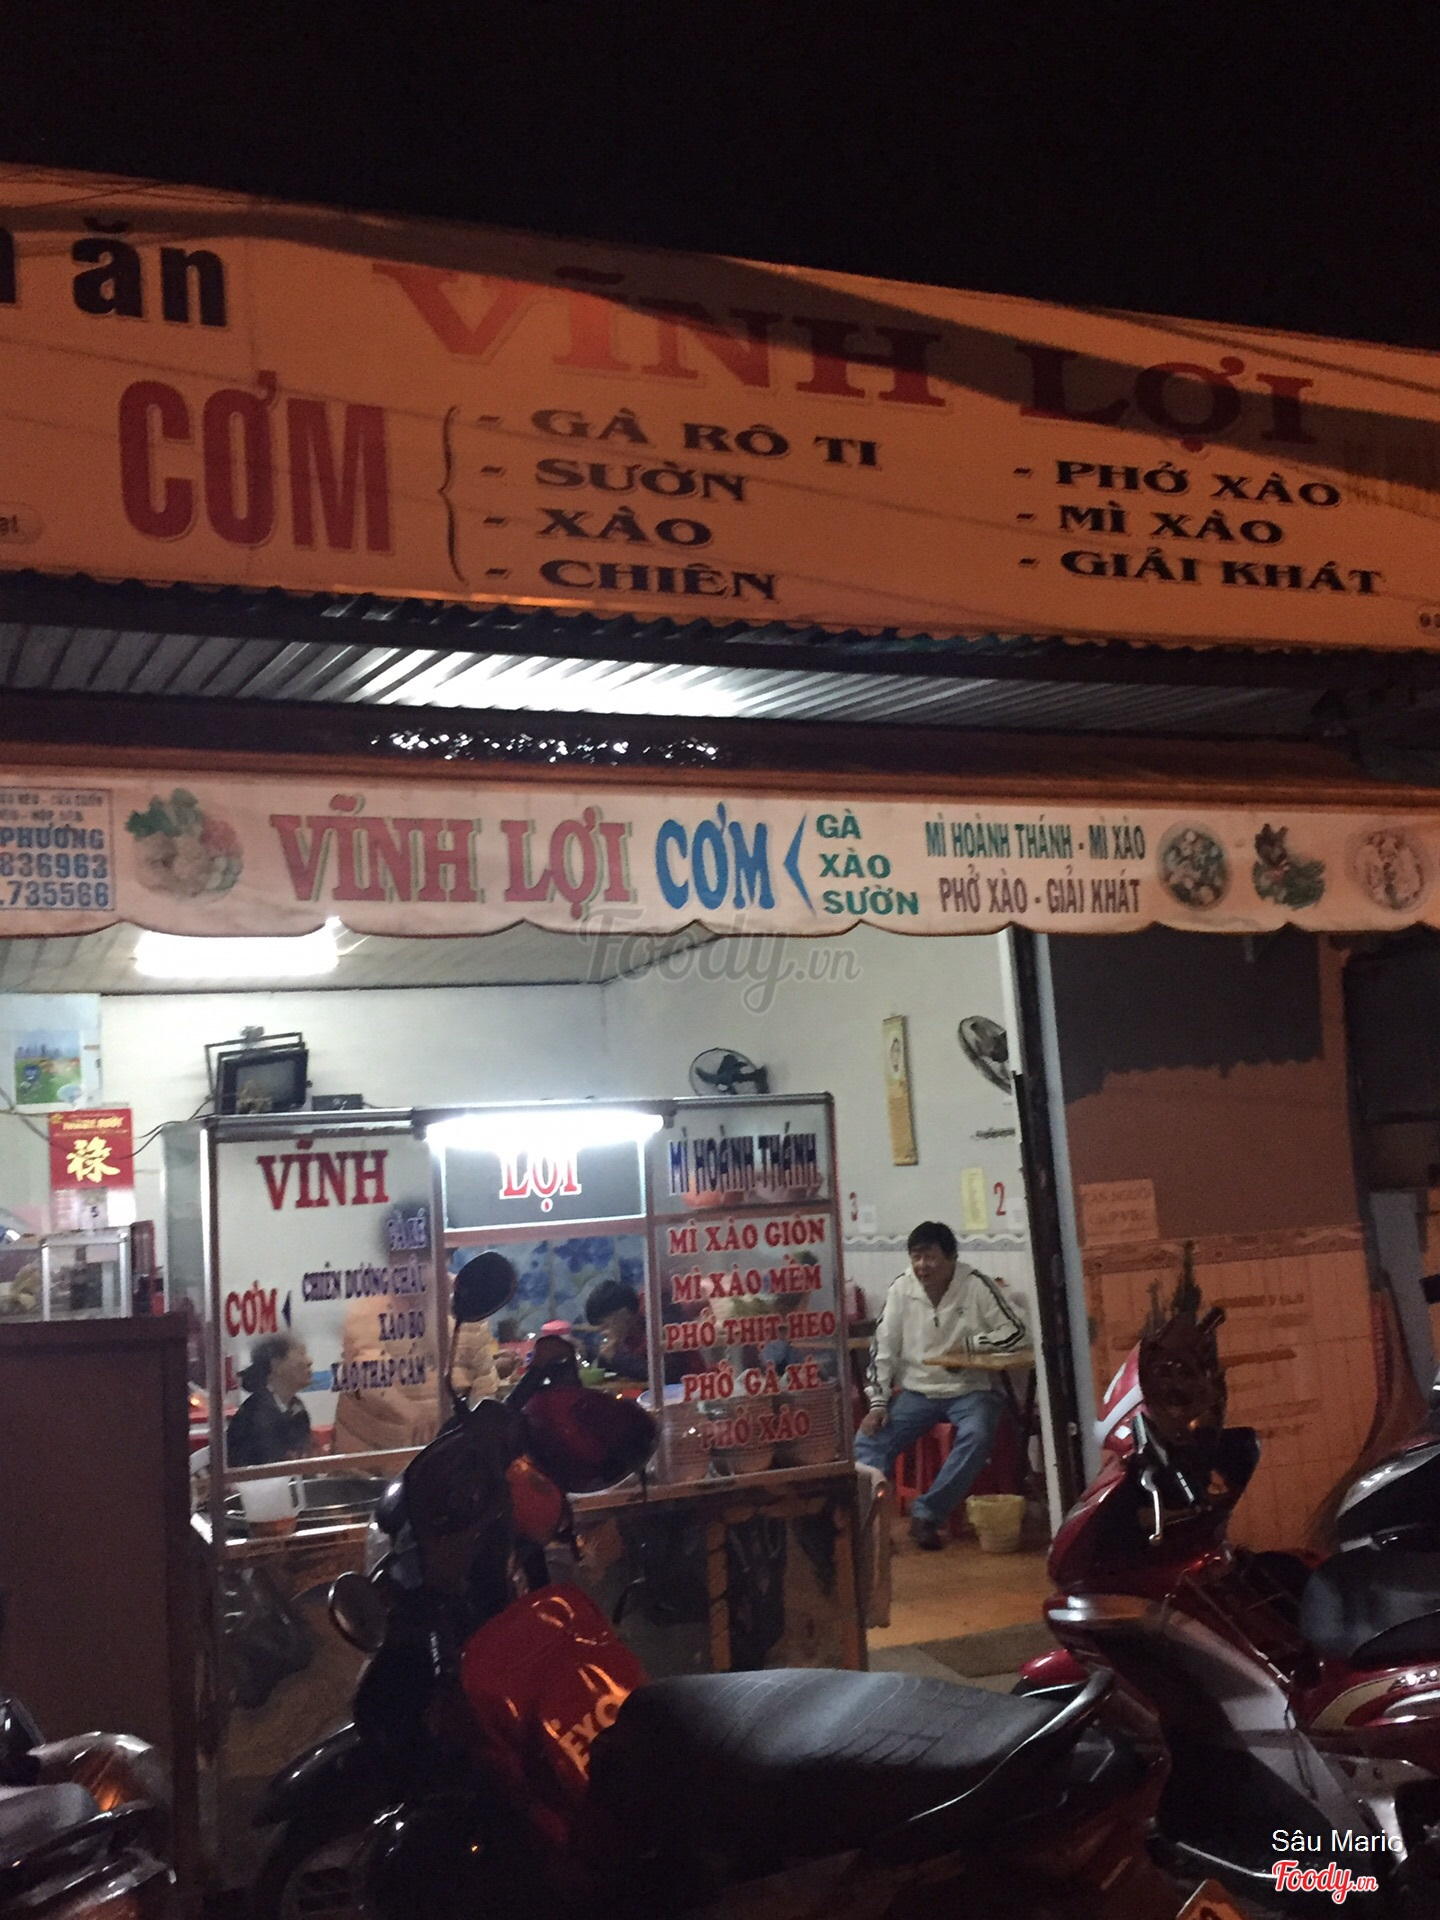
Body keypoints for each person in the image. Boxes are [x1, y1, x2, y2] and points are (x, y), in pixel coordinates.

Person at [855, 1220, 1027, 1550]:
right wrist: (877, 1403)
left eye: (931, 1257)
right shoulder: (901, 1290)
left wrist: (972, 1345)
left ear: (951, 1258)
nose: (922, 1265)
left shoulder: (975, 1285)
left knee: (978, 1433)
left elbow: (1018, 1331)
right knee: (868, 1440)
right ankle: (873, 1528)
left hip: (970, 1391)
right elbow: (884, 1350)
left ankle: (927, 1515)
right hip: (917, 1392)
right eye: (916, 1257)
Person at [227, 1332, 314, 1467]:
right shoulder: (255, 1415)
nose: (309, 1361)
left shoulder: (297, 1409)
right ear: (276, 1365)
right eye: (301, 1354)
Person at [585, 1278, 649, 1382]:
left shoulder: (655, 1329)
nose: (602, 1331)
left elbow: (658, 1373)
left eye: (605, 1324)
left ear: (624, 1314)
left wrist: (616, 1356)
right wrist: (587, 1354)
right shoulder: (624, 1338)